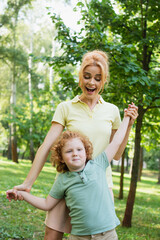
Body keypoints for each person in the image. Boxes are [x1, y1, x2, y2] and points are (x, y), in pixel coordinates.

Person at [12, 50, 138, 240]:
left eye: (97, 78)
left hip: (99, 184)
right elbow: (46, 146)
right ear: (80, 77)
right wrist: (28, 184)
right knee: (52, 236)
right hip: (67, 183)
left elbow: (118, 154)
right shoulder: (65, 107)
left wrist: (129, 124)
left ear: (103, 80)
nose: (91, 83)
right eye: (87, 77)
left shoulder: (111, 111)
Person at [7, 110, 134, 240]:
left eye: (79, 149)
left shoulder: (99, 164)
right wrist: (22, 194)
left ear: (86, 152)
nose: (75, 153)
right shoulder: (63, 179)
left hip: (107, 235)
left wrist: (127, 119)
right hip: (79, 236)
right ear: (61, 158)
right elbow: (46, 204)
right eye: (69, 151)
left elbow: (116, 142)